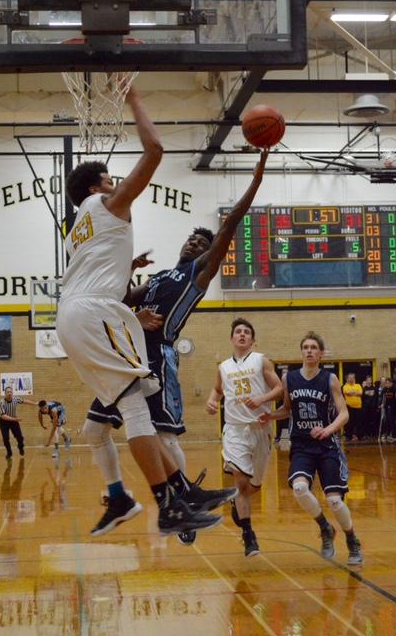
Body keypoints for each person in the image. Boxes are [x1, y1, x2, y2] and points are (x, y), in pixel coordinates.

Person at [56, 85, 224, 538]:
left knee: (129, 406)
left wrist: (125, 268)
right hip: (94, 314)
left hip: (74, 316)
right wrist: (133, 99)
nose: (116, 184)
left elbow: (92, 273)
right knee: (136, 409)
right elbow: (155, 150)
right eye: (110, 179)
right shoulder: (108, 204)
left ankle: (152, 496)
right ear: (97, 187)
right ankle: (167, 504)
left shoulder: (78, 228)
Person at [82, 149, 269, 542]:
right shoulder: (162, 274)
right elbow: (121, 301)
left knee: (164, 435)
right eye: (191, 239)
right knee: (93, 430)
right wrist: (129, 274)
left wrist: (255, 181)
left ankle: (185, 503)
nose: (194, 244)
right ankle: (135, 495)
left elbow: (231, 224)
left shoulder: (197, 276)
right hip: (126, 351)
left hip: (157, 355)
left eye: (202, 242)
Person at [259, 331, 363, 565]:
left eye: (313, 347)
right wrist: (271, 416)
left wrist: (327, 430)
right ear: (301, 352)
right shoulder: (289, 379)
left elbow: (344, 413)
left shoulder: (330, 379)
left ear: (321, 353)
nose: (309, 351)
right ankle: (325, 528)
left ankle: (352, 539)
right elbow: (287, 409)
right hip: (302, 445)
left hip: (327, 445)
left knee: (335, 501)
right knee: (299, 488)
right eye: (305, 347)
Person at [206, 318, 282, 557]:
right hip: (235, 429)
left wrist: (262, 400)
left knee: (253, 486)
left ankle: (236, 503)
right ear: (231, 338)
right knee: (240, 483)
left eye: (246, 332)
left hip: (259, 429)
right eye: (238, 332)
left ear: (252, 339)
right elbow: (218, 390)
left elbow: (279, 388)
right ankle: (249, 535)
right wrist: (211, 400)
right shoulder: (224, 367)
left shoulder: (262, 361)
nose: (241, 335)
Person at [0, 386, 34, 459]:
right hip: (4, 422)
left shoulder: (16, 399)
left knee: (20, 437)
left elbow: (24, 401)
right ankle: (9, 452)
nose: (9, 393)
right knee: (5, 438)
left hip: (14, 421)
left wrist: (35, 404)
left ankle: (20, 447)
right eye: (8, 392)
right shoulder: (2, 402)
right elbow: (3, 416)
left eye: (10, 392)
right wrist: (15, 419)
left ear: (12, 393)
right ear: (5, 394)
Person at [342, 374, 362, 442]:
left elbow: (360, 393)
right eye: (350, 378)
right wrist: (355, 392)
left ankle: (358, 436)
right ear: (347, 379)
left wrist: (352, 392)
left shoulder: (358, 385)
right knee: (349, 423)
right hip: (349, 407)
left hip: (358, 407)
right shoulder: (345, 386)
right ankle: (348, 436)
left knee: (358, 422)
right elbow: (347, 392)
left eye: (352, 377)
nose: (351, 379)